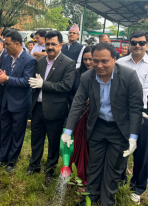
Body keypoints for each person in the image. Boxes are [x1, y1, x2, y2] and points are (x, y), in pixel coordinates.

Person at [62, 42, 143, 206]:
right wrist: (68, 131)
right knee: (94, 165)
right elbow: (77, 103)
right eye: (95, 60)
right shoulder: (87, 77)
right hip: (97, 126)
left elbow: (136, 108)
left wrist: (133, 137)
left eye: (104, 61)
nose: (99, 65)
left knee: (113, 169)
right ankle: (90, 198)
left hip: (119, 129)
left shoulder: (129, 76)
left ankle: (107, 201)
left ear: (114, 59)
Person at [27, 31, 76, 185]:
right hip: (38, 108)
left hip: (55, 110)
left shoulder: (68, 63)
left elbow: (66, 86)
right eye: (47, 44)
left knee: (53, 142)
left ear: (60, 45)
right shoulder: (40, 62)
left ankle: (50, 171)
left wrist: (44, 84)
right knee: (36, 139)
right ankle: (34, 165)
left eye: (53, 44)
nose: (50, 47)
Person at [0, 31, 35, 173]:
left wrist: (6, 79)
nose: (5, 47)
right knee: (5, 130)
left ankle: (12, 160)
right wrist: (0, 78)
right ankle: (3, 156)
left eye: (7, 44)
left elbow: (26, 82)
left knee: (17, 133)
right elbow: (4, 75)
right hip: (6, 101)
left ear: (17, 44)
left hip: (20, 103)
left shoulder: (30, 60)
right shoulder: (6, 58)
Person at [117, 31, 148, 204]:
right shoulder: (120, 63)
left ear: (147, 44)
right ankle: (119, 179)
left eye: (141, 43)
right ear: (129, 43)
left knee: (142, 152)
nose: (137, 45)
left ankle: (137, 187)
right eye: (134, 42)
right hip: (122, 113)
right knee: (120, 148)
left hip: (144, 114)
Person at [68, 46, 93, 184]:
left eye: (91, 59)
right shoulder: (77, 73)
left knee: (90, 148)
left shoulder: (100, 73)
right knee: (77, 145)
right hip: (78, 115)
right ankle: (75, 173)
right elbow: (70, 92)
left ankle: (88, 176)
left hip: (94, 117)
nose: (88, 62)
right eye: (85, 59)